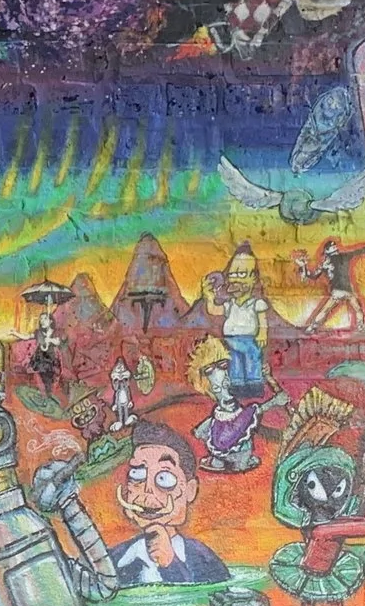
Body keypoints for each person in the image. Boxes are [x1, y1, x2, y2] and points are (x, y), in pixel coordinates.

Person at [110, 424, 232, 587]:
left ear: (190, 490)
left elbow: (206, 595)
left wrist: (170, 563)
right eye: (137, 474)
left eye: (164, 478)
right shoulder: (115, 557)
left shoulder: (203, 559)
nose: (147, 490)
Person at [204, 244, 275, 406]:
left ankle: (254, 386)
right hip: (231, 340)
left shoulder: (256, 303)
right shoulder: (230, 304)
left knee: (252, 362)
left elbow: (262, 320)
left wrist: (262, 333)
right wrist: (208, 296)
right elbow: (214, 310)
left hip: (250, 341)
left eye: (242, 273)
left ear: (253, 279)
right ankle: (237, 386)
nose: (236, 279)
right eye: (233, 274)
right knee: (235, 363)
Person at [189, 336, 260, 473]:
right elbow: (210, 425)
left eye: (226, 384)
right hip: (222, 446)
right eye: (217, 388)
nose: (225, 393)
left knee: (241, 450)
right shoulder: (220, 416)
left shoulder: (238, 411)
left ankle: (232, 461)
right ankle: (221, 461)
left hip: (240, 452)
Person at [295, 237, 365, 332]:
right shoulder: (343, 256)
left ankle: (312, 327)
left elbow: (313, 276)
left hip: (339, 291)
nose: (335, 247)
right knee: (357, 309)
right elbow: (357, 251)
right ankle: (361, 326)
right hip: (346, 290)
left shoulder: (325, 263)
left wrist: (303, 267)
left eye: (334, 246)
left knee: (326, 310)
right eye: (333, 246)